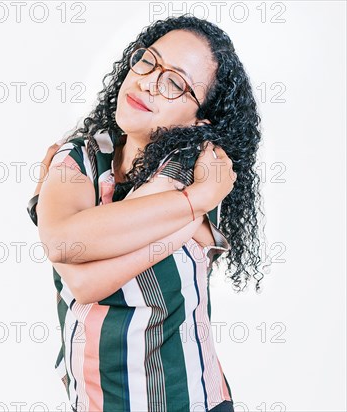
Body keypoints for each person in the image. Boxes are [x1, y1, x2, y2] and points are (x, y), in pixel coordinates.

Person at [27, 14, 265, 412]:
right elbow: (65, 245)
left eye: (176, 83)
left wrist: (195, 197)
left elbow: (81, 278)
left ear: (199, 121)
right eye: (148, 61)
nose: (149, 82)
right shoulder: (82, 154)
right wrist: (190, 212)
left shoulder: (195, 169)